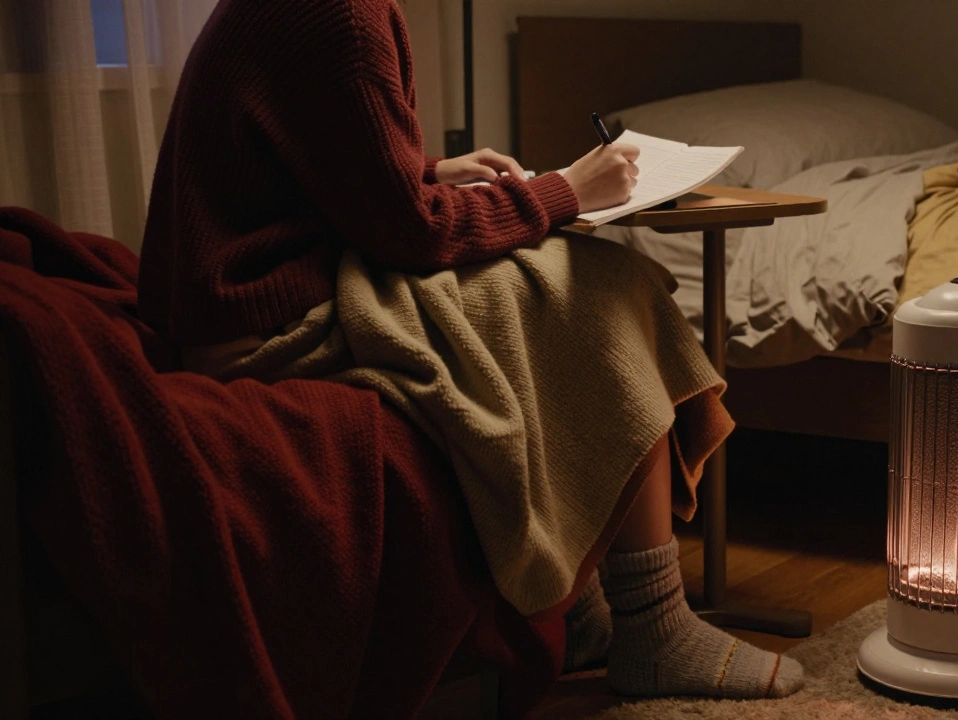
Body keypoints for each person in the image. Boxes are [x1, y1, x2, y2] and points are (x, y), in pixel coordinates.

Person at [137, 0, 803, 701]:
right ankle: (653, 625)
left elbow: (322, 162)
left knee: (551, 279)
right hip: (267, 325)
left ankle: (587, 611)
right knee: (605, 285)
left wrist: (425, 170)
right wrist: (567, 192)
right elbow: (415, 235)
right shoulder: (342, 12)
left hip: (257, 294)